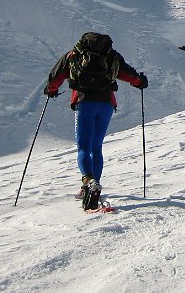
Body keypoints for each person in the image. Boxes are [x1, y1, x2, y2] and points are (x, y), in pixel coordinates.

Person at [44, 32, 148, 207]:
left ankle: (88, 182)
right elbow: (129, 75)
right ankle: (94, 186)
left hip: (84, 103)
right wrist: (140, 82)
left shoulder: (74, 54)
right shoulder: (111, 56)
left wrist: (51, 90)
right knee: (96, 146)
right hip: (106, 104)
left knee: (83, 146)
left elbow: (56, 76)